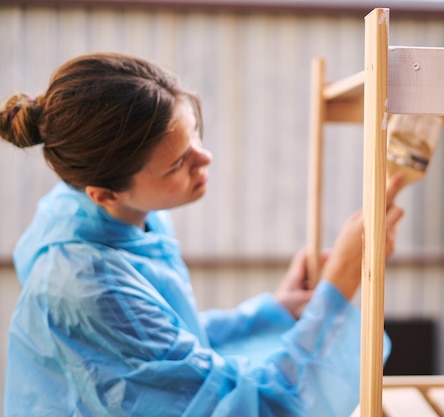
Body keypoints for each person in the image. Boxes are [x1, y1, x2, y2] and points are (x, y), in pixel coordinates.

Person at [0, 52, 405, 417]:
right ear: (105, 192)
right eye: (179, 162)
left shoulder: (102, 212)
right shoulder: (85, 287)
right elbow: (259, 409)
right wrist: (339, 288)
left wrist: (276, 311)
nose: (205, 156)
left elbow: (165, 340)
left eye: (194, 133)